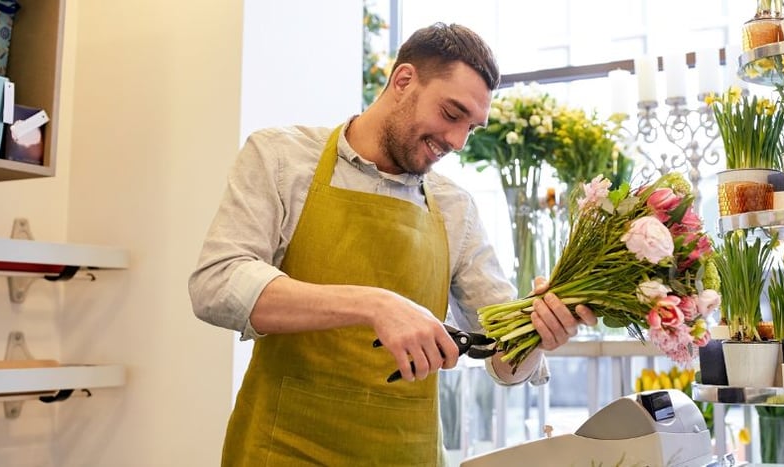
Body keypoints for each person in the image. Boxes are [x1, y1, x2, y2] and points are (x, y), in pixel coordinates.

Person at [188, 22, 596, 466]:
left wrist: (537, 332)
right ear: (403, 81)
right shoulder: (282, 158)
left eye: (471, 128)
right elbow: (216, 282)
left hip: (406, 453)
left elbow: (501, 359)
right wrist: (375, 305)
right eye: (451, 113)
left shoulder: (454, 207)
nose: (458, 141)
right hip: (282, 448)